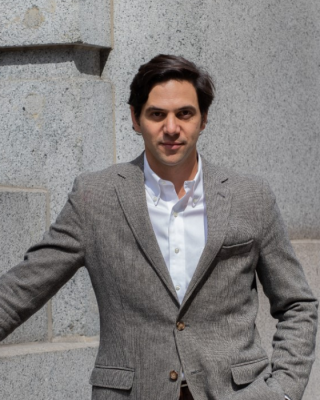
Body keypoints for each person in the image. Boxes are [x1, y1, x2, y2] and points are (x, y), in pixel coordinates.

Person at [0, 54, 317, 400]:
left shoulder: (250, 196)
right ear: (135, 119)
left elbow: (297, 304)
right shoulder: (95, 197)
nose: (171, 128)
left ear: (204, 119)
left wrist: (284, 390)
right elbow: (19, 291)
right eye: (156, 114)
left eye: (184, 113)